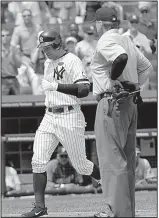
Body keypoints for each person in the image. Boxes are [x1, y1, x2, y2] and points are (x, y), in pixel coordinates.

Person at [21, 30, 100, 217]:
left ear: (57, 44)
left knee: (81, 165)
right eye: (42, 48)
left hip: (69, 115)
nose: (44, 52)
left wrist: (57, 87)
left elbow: (84, 90)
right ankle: (39, 206)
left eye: (47, 48)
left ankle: (100, 177)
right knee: (38, 161)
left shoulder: (73, 60)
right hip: (49, 116)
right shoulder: (48, 62)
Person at [90, 7, 153, 217]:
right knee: (125, 159)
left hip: (112, 102)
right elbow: (146, 69)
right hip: (129, 103)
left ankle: (116, 212)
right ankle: (126, 212)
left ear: (100, 24)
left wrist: (116, 80)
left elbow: (120, 58)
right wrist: (133, 87)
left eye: (96, 23)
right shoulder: (126, 38)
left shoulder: (106, 40)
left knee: (111, 159)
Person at [2, 28, 22, 95]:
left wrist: (13, 54)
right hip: (3, 81)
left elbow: (19, 65)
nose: (5, 37)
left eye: (7, 35)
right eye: (2, 36)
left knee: (18, 103)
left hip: (14, 80)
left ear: (10, 37)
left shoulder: (14, 49)